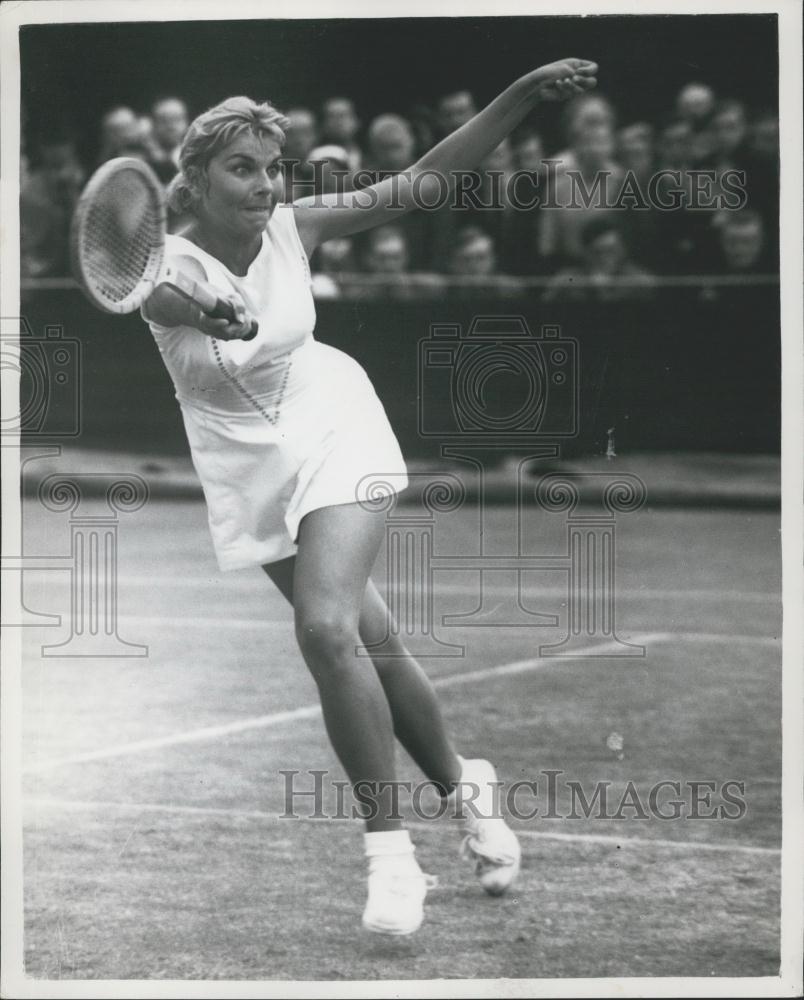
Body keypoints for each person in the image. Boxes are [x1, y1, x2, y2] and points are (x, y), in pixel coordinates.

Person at [140, 57, 598, 937]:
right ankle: (466, 785)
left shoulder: (293, 227)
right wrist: (208, 312)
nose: (265, 184)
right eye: (242, 168)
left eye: (273, 168)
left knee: (325, 629)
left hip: (335, 422)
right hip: (248, 466)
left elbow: (421, 183)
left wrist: (518, 95)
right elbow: (172, 296)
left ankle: (390, 856)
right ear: (195, 179)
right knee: (370, 642)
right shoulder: (160, 266)